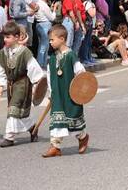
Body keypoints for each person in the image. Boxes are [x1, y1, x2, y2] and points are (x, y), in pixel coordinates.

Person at [0, 21, 44, 147]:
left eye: (8, 37)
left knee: (13, 109)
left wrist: (38, 83)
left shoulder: (25, 52)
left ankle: (9, 137)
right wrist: (0, 84)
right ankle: (33, 128)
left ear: (16, 37)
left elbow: (34, 68)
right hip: (11, 85)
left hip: (23, 84)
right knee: (20, 112)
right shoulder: (2, 53)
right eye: (4, 37)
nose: (5, 39)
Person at [42, 24, 89, 158]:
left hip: (70, 94)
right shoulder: (52, 58)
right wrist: (51, 92)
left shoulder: (71, 55)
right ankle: (55, 146)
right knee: (57, 120)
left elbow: (81, 73)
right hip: (58, 94)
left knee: (73, 119)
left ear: (62, 39)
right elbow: (50, 76)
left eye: (52, 40)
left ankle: (83, 137)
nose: (50, 42)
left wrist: (81, 91)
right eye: (50, 40)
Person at [34, 0, 56, 69]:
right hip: (45, 25)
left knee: (42, 45)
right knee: (44, 46)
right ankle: (41, 64)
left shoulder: (37, 3)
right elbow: (52, 18)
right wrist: (54, 9)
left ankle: (41, 64)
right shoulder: (43, 5)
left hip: (39, 24)